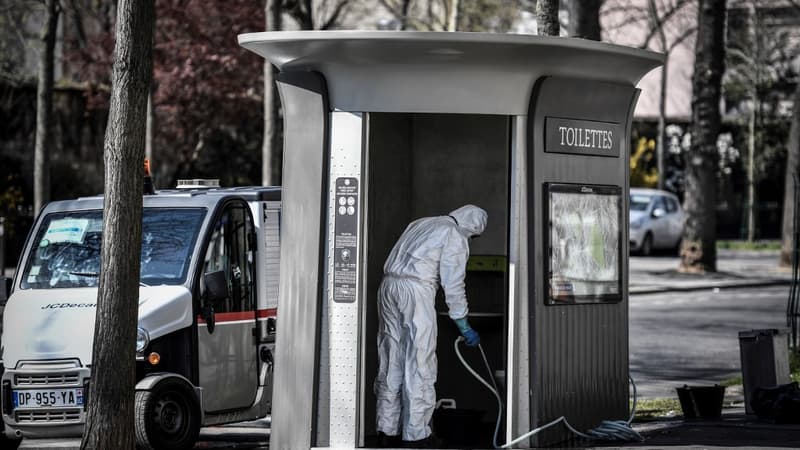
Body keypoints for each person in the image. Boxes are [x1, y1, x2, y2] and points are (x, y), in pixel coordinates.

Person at [374, 204, 487, 448]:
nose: (471, 241)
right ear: (472, 228)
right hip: (416, 291)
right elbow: (453, 284)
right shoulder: (455, 234)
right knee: (420, 362)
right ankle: (418, 436)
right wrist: (463, 324)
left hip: (388, 287)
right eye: (474, 237)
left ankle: (386, 430)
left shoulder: (422, 222)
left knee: (391, 359)